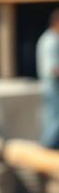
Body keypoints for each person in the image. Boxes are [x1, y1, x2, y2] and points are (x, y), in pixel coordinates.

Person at [37, 8, 59, 149]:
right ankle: (46, 151)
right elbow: (52, 69)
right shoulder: (51, 41)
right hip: (52, 89)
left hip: (52, 88)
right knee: (54, 121)